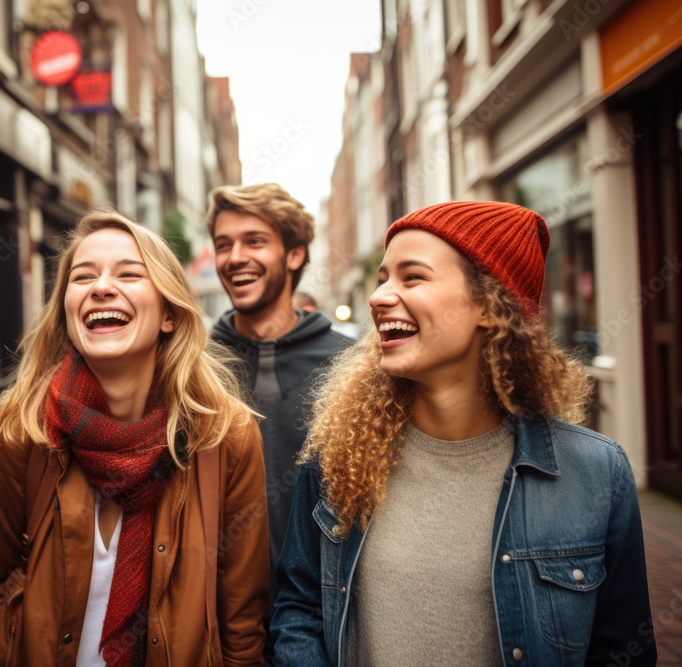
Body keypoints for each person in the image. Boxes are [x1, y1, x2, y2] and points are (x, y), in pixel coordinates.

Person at [271, 201, 656, 666]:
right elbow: (300, 609)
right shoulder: (339, 457)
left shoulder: (596, 474)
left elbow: (621, 651)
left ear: (490, 307)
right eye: (382, 279)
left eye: (413, 277)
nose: (378, 297)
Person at [0, 209, 269, 666]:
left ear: (169, 314)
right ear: (67, 311)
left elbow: (241, 614)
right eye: (82, 276)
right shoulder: (22, 430)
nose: (101, 287)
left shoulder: (225, 435)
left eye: (129, 273)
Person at [204, 183, 349, 656]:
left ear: (294, 255)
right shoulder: (191, 363)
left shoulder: (352, 366)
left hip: (326, 623)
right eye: (224, 244)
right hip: (212, 623)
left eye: (254, 241)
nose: (235, 257)